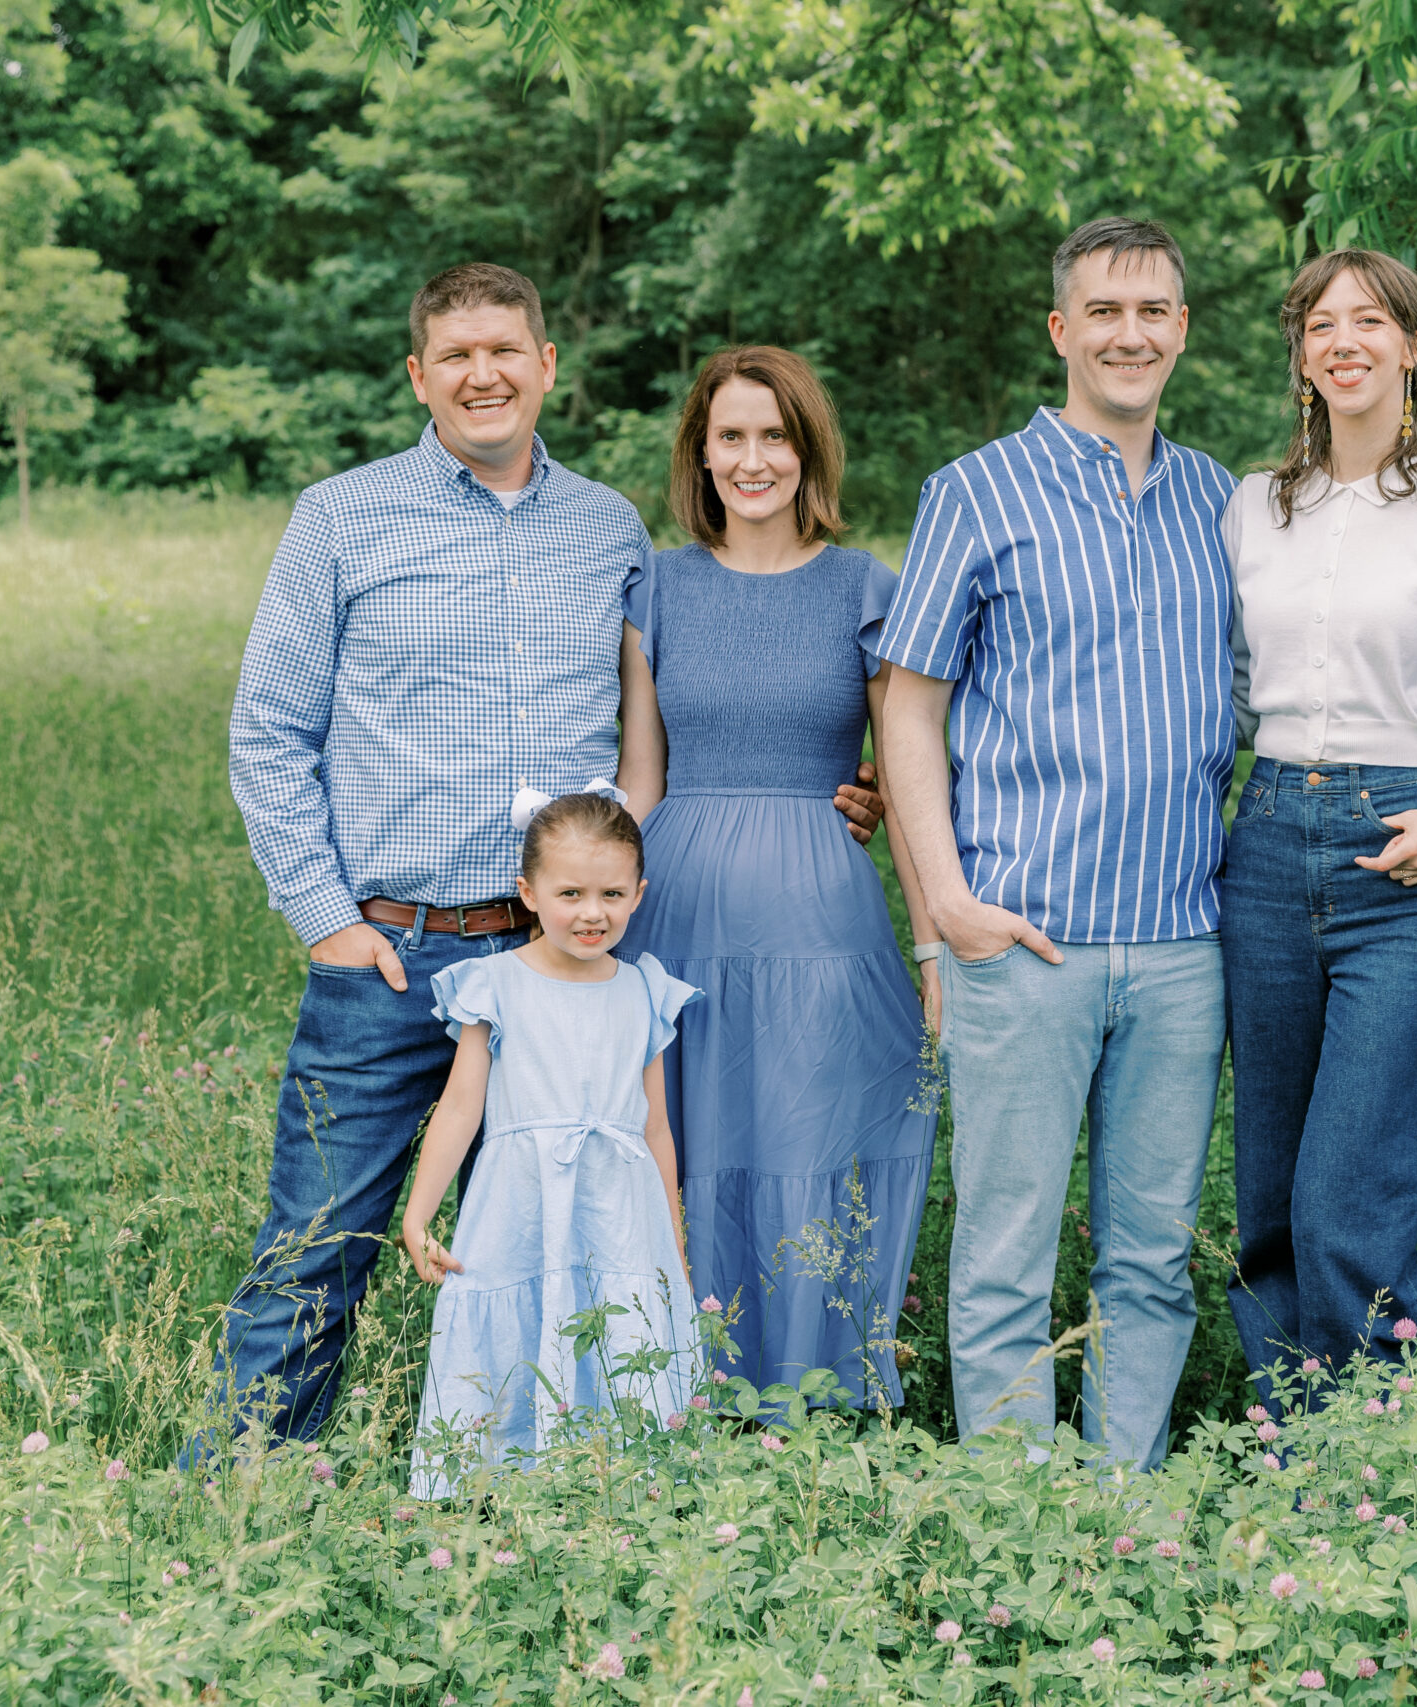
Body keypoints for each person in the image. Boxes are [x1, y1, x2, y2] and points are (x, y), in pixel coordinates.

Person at [213, 260, 884, 1453]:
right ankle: (237, 1490)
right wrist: (326, 916)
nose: (484, 373)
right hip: (391, 952)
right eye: (456, 355)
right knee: (318, 1249)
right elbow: (268, 730)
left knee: (556, 1257)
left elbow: (682, 722)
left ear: (546, 367)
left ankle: (537, 1490)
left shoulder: (606, 533)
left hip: (555, 964)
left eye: (505, 350)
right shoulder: (342, 516)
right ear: (419, 375)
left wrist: (845, 780)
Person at [878, 217, 1417, 1468]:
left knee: (1148, 1259)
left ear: (1183, 332)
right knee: (1004, 1257)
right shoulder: (974, 490)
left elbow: (1291, 672)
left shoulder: (1230, 500)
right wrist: (944, 910)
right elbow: (908, 705)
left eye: (1153, 311)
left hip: (1186, 940)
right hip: (1023, 935)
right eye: (1103, 311)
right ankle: (1015, 1511)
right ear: (1061, 330)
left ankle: (1122, 1503)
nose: (1129, 332)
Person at [1219, 248, 1417, 1406]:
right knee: (1269, 1174)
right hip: (1265, 837)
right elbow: (1231, 682)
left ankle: (1359, 1437)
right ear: (1300, 357)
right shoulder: (1252, 506)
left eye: (1369, 320)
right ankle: (1281, 1426)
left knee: (1355, 1174)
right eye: (1318, 324)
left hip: (1405, 843)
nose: (1342, 340)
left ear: (1412, 345)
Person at [614, 346, 938, 1410]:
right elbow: (642, 776)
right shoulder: (655, 585)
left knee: (813, 1138)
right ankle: (679, 1388)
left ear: (808, 448)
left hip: (818, 909)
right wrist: (598, 944)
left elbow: (907, 775)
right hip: (678, 903)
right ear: (700, 455)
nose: (753, 459)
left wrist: (932, 949)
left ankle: (809, 1396)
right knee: (688, 1145)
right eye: (730, 438)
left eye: (774, 436)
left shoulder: (867, 587)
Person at [401, 793, 701, 1497]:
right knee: (517, 1325)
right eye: (570, 893)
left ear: (638, 894)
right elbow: (461, 1106)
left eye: (611, 893)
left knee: (621, 1329)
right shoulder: (495, 983)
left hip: (620, 1211)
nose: (591, 912)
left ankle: (622, 1489)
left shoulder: (642, 989)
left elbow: (655, 1127)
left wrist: (674, 1240)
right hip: (519, 1206)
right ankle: (496, 1489)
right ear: (528, 891)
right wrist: (419, 1214)